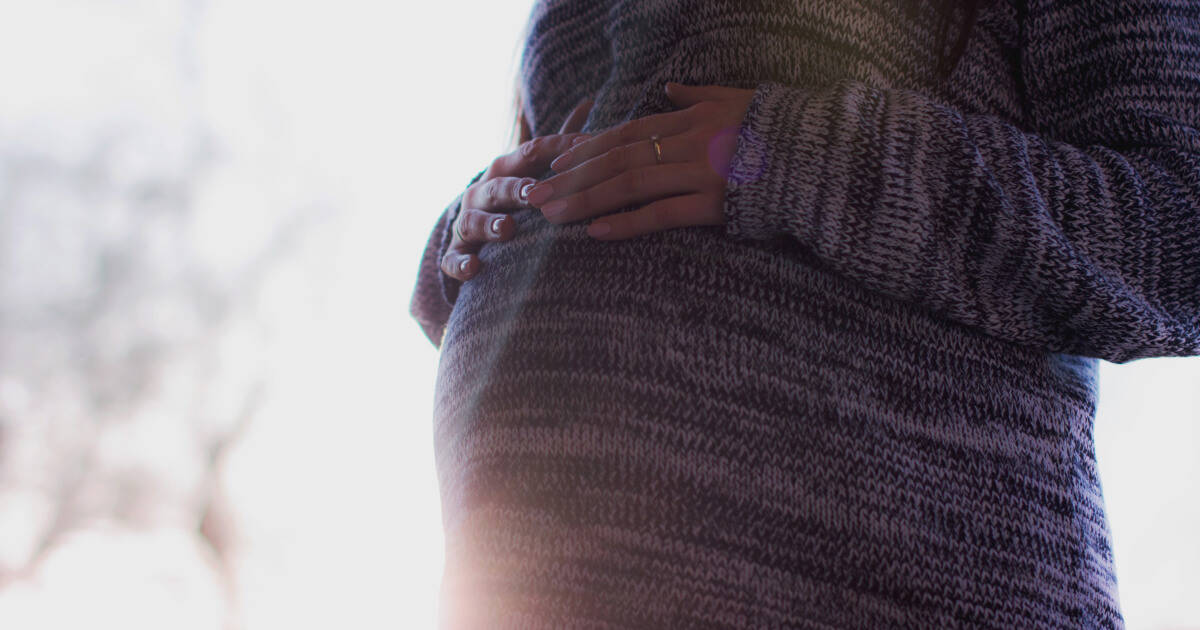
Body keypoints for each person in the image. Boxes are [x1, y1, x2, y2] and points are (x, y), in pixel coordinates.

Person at [410, 0, 1200, 627]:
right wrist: (470, 235)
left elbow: (1177, 230)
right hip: (535, 567)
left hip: (900, 572)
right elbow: (603, 145)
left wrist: (785, 155)